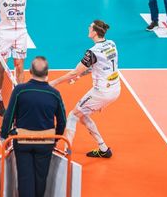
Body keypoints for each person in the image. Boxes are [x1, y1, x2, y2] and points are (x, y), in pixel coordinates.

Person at [50, 20, 119, 158]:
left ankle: (66, 153)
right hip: (115, 89)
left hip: (101, 92)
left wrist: (54, 82)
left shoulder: (92, 52)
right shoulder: (111, 44)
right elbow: (98, 66)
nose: (88, 28)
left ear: (95, 32)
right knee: (82, 115)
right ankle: (103, 149)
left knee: (73, 115)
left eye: (90, 27)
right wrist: (79, 76)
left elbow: (75, 72)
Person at [0, 56, 66, 197]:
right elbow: (62, 121)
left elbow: (9, 115)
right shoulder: (55, 94)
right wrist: (55, 138)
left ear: (30, 71)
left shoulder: (19, 90)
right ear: (47, 73)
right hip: (45, 142)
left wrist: (4, 136)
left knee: (25, 179)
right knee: (41, 179)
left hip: (23, 142)